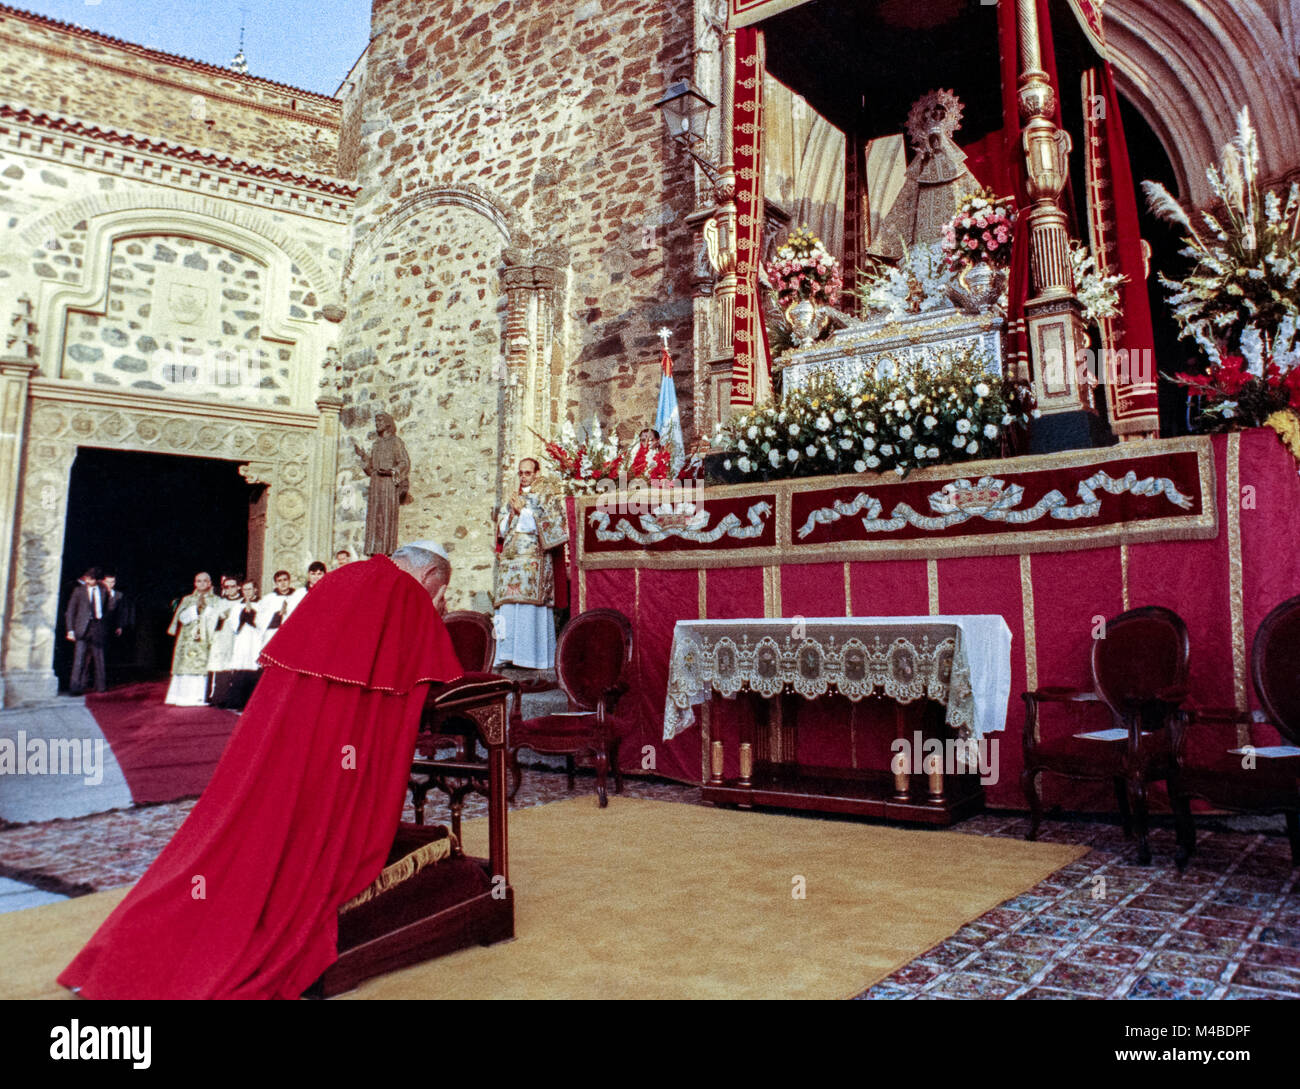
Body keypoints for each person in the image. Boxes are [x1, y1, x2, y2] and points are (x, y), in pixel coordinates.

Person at [58, 541, 463, 999]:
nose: (440, 604)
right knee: (301, 848)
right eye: (442, 593)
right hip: (334, 751)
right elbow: (409, 688)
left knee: (232, 837)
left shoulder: (343, 577)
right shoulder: (406, 596)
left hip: (279, 738)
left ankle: (131, 954)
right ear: (429, 577)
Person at [493, 457, 568, 670]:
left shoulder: (547, 495)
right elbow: (502, 528)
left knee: (528, 608)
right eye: (521, 473)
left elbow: (557, 525)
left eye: (527, 473)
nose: (524, 477)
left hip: (533, 560)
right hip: (510, 560)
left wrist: (524, 513)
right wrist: (510, 516)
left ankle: (531, 657)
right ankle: (508, 655)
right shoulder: (514, 496)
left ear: (537, 473)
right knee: (509, 604)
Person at [353, 412, 411, 556]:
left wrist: (392, 471)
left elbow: (404, 462)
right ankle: (374, 548)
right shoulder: (377, 444)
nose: (377, 423)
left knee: (386, 516)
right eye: (376, 420)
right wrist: (363, 457)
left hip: (388, 484)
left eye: (380, 420)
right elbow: (371, 468)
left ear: (388, 424)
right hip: (376, 484)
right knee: (375, 515)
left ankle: (386, 549)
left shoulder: (395, 442)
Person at [164, 572, 217, 706]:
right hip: (188, 639)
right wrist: (195, 609)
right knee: (185, 665)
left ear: (210, 583)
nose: (202, 583)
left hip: (205, 640)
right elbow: (180, 617)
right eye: (199, 581)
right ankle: (182, 698)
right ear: (195, 583)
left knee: (202, 667)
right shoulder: (187, 599)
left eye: (205, 581)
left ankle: (200, 697)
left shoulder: (216, 599)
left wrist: (206, 610)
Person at [65, 567, 108, 695]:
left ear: (96, 580)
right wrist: (70, 630)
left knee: (99, 658)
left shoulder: (103, 590)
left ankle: (101, 686)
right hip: (82, 627)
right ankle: (75, 687)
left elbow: (106, 609)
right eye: (88, 579)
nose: (89, 581)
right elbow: (71, 611)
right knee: (79, 658)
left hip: (97, 626)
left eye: (92, 579)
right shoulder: (79, 591)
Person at [204, 575, 244, 705]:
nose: (230, 589)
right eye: (227, 587)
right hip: (222, 639)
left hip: (239, 638)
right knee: (221, 667)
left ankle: (235, 700)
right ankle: (219, 698)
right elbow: (211, 623)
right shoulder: (220, 603)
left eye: (233, 586)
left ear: (238, 587)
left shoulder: (243, 601)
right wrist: (220, 617)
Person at [259, 569, 307, 645]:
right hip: (273, 634)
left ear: (289, 581)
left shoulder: (298, 596)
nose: (283, 583)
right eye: (279, 581)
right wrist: (277, 616)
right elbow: (261, 620)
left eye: (285, 580)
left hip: (293, 634)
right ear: (276, 583)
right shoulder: (268, 599)